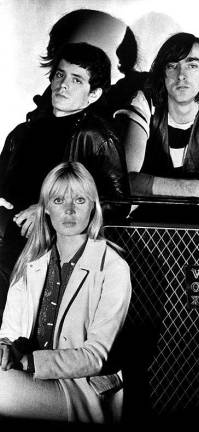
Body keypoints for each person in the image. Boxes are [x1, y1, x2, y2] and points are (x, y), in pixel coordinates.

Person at [0, 42, 129, 317]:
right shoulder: (22, 133)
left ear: (93, 94)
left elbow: (118, 203)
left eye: (76, 79)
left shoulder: (96, 137)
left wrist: (50, 210)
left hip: (64, 257)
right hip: (14, 249)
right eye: (60, 75)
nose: (64, 85)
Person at [0, 162, 131, 423]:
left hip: (82, 389)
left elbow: (93, 357)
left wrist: (27, 361)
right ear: (46, 207)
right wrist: (5, 349)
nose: (69, 210)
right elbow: (9, 334)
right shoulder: (31, 265)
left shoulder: (113, 266)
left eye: (80, 200)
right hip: (32, 383)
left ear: (93, 207)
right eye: (59, 200)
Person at [116, 32, 199, 198]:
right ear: (163, 73)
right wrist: (196, 188)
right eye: (172, 66)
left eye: (192, 66)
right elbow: (127, 182)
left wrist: (151, 185)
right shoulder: (145, 100)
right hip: (151, 215)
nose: (181, 75)